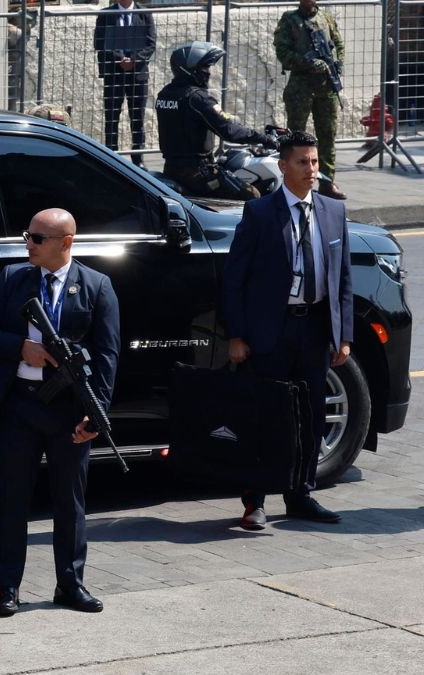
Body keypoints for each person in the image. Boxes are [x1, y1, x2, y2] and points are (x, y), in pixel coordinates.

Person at [0, 208, 120, 618]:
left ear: (66, 242)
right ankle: (7, 587)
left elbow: (108, 356)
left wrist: (96, 414)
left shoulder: (96, 286)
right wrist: (22, 347)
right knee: (11, 501)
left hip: (69, 410)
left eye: (38, 238)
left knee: (69, 502)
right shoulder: (12, 279)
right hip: (20, 404)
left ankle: (70, 583)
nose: (29, 244)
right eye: (28, 236)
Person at [222, 131, 352, 530]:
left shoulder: (333, 211)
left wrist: (343, 334)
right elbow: (235, 278)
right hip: (270, 331)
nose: (311, 170)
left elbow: (342, 277)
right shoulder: (261, 214)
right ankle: (255, 502)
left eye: (315, 162)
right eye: (302, 162)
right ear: (283, 166)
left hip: (313, 328)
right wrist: (237, 335)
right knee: (265, 413)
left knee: (309, 416)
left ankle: (300, 494)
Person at [155, 41, 281, 201]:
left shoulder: (164, 94)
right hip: (197, 173)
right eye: (204, 68)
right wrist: (264, 138)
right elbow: (229, 130)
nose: (208, 73)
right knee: (253, 196)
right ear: (190, 70)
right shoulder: (198, 99)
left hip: (172, 168)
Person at [275, 0, 346, 200]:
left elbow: (339, 43)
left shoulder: (326, 17)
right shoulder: (290, 19)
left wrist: (338, 62)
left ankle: (327, 182)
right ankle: (292, 183)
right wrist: (306, 62)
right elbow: (282, 52)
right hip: (301, 86)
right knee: (295, 137)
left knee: (327, 134)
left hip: (326, 87)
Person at [93, 0, 156, 168]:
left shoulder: (144, 14)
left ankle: (138, 159)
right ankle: (111, 157)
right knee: (112, 117)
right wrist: (119, 58)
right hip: (114, 74)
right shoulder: (106, 15)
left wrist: (134, 60)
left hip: (137, 76)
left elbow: (150, 44)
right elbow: (99, 43)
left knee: (137, 118)